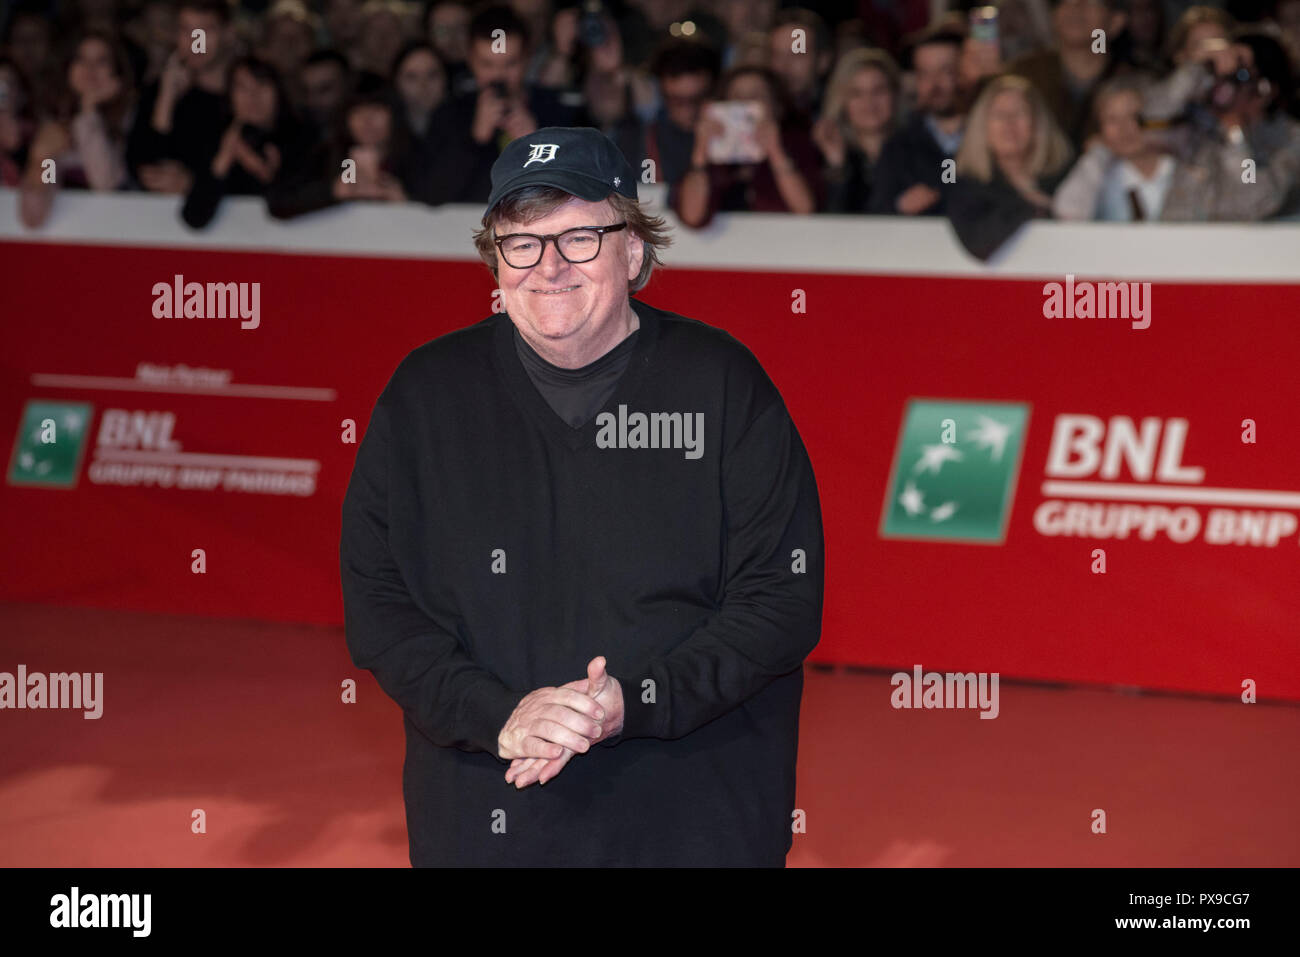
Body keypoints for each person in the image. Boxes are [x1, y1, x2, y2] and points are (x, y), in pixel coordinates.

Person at [340, 125, 825, 866]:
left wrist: (636, 700)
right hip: (489, 814)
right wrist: (502, 716)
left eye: (578, 238)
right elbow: (378, 602)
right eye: (522, 242)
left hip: (697, 819)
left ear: (633, 248)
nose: (548, 267)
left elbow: (781, 602)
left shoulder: (723, 383)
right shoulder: (425, 395)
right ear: (495, 260)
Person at [419, 4, 585, 204]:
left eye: (510, 64)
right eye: (487, 65)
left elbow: (581, 190)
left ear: (527, 58)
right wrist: (475, 139)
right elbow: (430, 196)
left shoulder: (557, 110)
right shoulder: (449, 114)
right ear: (470, 59)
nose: (498, 76)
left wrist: (538, 145)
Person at [1160, 30, 1300, 219]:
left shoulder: (1290, 139)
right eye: (1221, 74)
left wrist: (1236, 138)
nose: (1224, 84)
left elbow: (1256, 200)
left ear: (1265, 89)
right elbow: (1148, 124)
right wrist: (1193, 67)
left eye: (1239, 75)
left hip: (1253, 245)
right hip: (1179, 241)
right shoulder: (1200, 124)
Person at [675, 65, 821, 227]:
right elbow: (692, 215)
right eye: (737, 96)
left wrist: (776, 152)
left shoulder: (797, 145)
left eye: (756, 96)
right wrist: (701, 152)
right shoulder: (711, 157)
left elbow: (804, 209)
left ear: (777, 107)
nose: (745, 102)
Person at [948, 74, 1074, 260]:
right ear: (982, 126)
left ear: (1038, 123)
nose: (1009, 124)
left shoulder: (1065, 173)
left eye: (1019, 113)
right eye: (999, 115)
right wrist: (1031, 205)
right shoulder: (965, 181)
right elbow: (978, 242)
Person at [19, 31, 134, 229]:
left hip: (120, 235)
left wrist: (88, 111)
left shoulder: (130, 119)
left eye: (101, 61)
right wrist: (41, 160)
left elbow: (104, 183)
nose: (90, 69)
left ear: (117, 72)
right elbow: (33, 215)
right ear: (68, 68)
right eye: (81, 60)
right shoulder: (53, 121)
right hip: (68, 240)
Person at [182, 57, 313, 228]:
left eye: (262, 85)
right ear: (230, 95)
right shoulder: (216, 140)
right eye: (242, 88)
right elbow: (194, 217)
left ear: (278, 91)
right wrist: (223, 160)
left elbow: (298, 208)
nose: (253, 96)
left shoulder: (303, 138)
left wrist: (265, 174)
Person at [126, 0, 232, 196]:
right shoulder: (158, 90)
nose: (195, 42)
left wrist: (194, 184)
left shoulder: (244, 94)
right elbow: (140, 164)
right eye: (186, 31)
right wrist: (166, 99)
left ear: (227, 33)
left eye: (205, 31)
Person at [1006, 0, 1130, 150]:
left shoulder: (1135, 79)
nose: (1075, 6)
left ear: (1116, 21)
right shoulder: (1020, 75)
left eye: (1091, 2)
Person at [1052, 75, 1178, 219]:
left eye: (1133, 116)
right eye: (1112, 119)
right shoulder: (1100, 173)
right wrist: (1097, 154)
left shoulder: (1184, 166)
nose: (1124, 128)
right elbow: (1067, 210)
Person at [870, 27, 966, 216]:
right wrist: (899, 207)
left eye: (945, 71)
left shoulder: (994, 138)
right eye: (924, 74)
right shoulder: (897, 147)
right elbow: (874, 214)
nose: (934, 84)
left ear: (965, 72)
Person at [813, 47, 900, 213]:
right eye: (856, 93)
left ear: (895, 94)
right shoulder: (821, 155)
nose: (869, 102)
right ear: (842, 101)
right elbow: (831, 222)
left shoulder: (918, 150)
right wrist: (837, 164)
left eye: (879, 90)